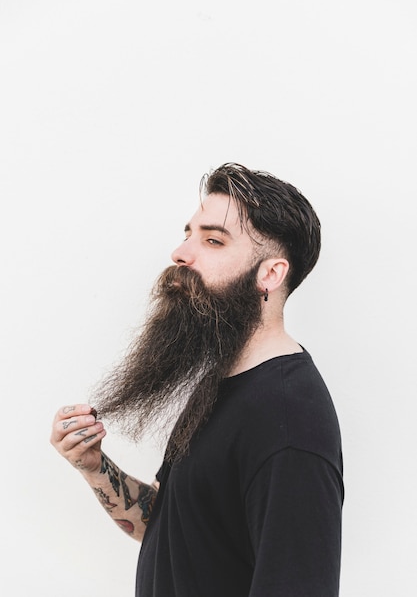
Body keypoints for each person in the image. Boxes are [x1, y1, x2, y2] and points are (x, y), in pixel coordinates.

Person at [50, 162, 344, 596]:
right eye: (188, 234)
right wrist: (94, 467)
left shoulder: (289, 423)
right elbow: (168, 523)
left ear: (270, 274)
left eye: (212, 240)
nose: (181, 253)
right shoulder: (225, 380)